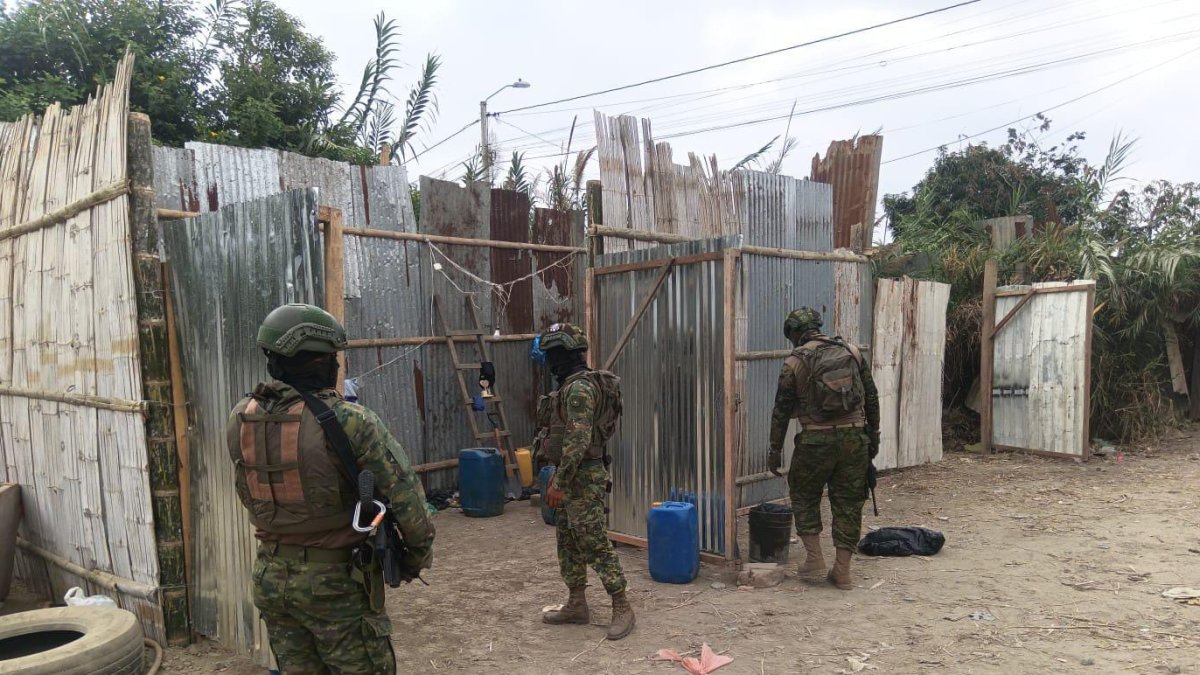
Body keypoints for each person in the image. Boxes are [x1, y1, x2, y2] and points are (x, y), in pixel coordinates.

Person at [226, 303, 434, 673]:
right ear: (322, 362)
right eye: (332, 358)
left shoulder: (242, 417)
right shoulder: (349, 420)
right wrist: (413, 559)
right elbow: (408, 501)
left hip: (272, 580)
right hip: (336, 585)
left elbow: (246, 492)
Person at [767, 307, 879, 590]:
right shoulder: (852, 352)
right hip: (855, 440)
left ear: (794, 334)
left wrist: (774, 450)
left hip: (815, 441)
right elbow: (872, 397)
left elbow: (780, 412)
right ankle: (842, 571)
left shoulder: (794, 363)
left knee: (804, 494)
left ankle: (814, 559)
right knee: (849, 503)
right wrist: (873, 439)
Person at [535, 322, 634, 640]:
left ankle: (622, 606)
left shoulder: (578, 389)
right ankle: (577, 603)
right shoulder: (570, 386)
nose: (549, 362)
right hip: (569, 475)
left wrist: (559, 481)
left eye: (552, 355)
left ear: (565, 355)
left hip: (581, 477)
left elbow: (578, 441)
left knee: (593, 542)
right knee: (567, 541)